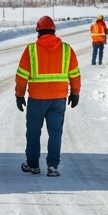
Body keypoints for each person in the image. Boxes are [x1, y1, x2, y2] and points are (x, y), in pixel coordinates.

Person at [14, 15, 81, 177]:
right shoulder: (66, 49)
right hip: (58, 99)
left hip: (37, 99)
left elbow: (22, 75)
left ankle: (33, 165)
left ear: (38, 32)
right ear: (54, 31)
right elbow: (75, 74)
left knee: (33, 132)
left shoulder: (31, 50)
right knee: (55, 133)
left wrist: (19, 94)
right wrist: (75, 93)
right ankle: (52, 167)